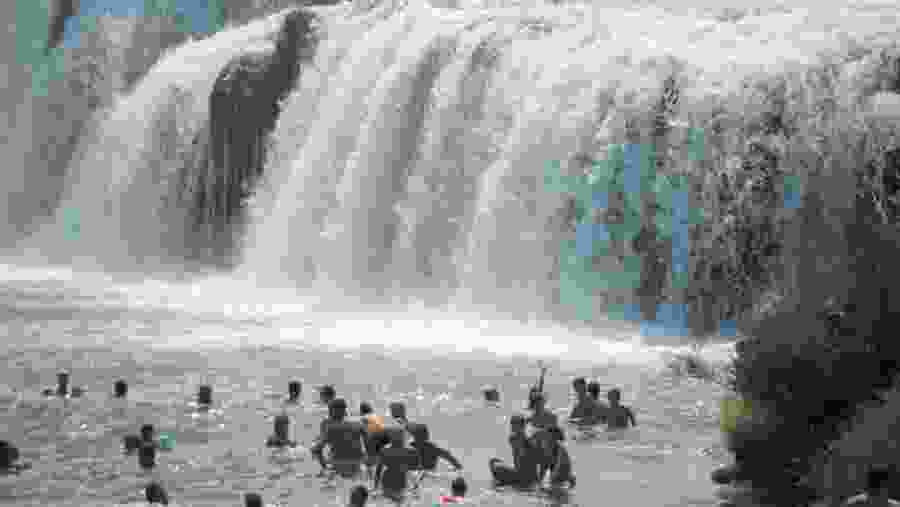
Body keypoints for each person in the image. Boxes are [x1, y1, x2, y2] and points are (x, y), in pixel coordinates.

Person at [311, 398, 368, 478]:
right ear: (345, 411)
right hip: (357, 466)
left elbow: (317, 450)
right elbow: (370, 446)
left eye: (330, 410)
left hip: (338, 466)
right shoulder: (359, 425)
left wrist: (325, 467)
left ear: (331, 411)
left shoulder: (330, 427)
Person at [489, 414, 540, 488]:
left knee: (496, 466)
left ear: (522, 427)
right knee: (493, 461)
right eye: (512, 425)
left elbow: (532, 464)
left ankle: (510, 482)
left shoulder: (527, 442)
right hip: (519, 472)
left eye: (516, 425)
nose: (513, 427)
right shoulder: (513, 439)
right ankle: (508, 481)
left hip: (526, 476)